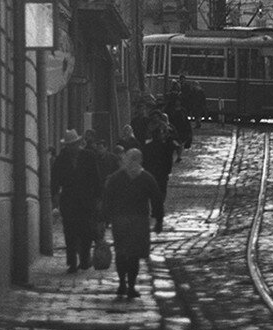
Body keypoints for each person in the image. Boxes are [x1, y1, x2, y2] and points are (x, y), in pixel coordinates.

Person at [104, 148, 161, 299]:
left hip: (120, 220)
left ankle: (123, 283)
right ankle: (131, 286)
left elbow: (107, 199)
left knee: (122, 252)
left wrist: (105, 219)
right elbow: (156, 199)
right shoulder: (146, 178)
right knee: (134, 254)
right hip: (139, 221)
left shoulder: (116, 178)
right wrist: (158, 219)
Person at [50, 129, 101, 273]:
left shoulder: (88, 156)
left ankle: (84, 259)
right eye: (68, 145)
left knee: (86, 231)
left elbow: (96, 178)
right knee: (70, 232)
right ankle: (72, 262)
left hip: (86, 201)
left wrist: (98, 198)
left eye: (73, 144)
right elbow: (55, 179)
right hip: (69, 202)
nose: (71, 147)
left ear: (78, 143)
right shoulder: (61, 159)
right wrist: (54, 196)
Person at [142, 118, 179, 233]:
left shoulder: (147, 147)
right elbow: (169, 159)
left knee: (152, 196)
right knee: (160, 196)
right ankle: (159, 217)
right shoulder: (165, 147)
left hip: (151, 174)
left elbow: (144, 161)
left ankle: (154, 214)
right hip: (161, 175)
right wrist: (168, 172)